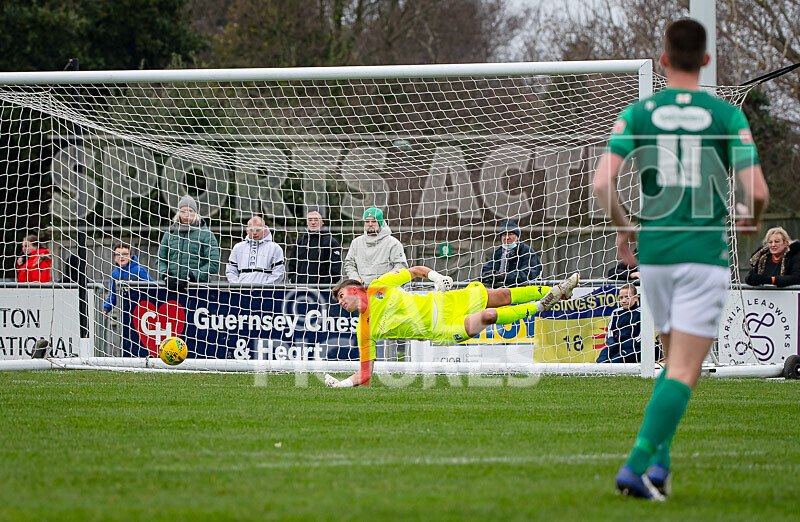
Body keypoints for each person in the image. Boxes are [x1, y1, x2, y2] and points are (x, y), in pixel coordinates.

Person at [593, 19, 769, 501]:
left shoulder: (638, 112)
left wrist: (625, 227)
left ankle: (660, 469)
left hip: (655, 254)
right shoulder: (725, 115)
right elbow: (757, 191)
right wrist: (748, 218)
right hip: (702, 255)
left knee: (671, 363)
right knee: (686, 371)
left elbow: (603, 184)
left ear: (664, 60)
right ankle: (634, 464)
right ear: (706, 60)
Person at [325, 267, 579, 388]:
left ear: (354, 288)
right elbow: (366, 374)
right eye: (337, 300)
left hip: (447, 302)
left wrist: (437, 277)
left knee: (501, 295)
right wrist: (342, 384)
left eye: (341, 295)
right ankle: (541, 306)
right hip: (444, 329)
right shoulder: (365, 328)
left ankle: (558, 293)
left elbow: (415, 272)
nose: (341, 301)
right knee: (489, 316)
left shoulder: (381, 285)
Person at [158, 195, 221, 291]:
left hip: (199, 289)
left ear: (195, 213)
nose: (186, 214)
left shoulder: (206, 234)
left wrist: (192, 276)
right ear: (178, 213)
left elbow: (213, 263)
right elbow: (160, 260)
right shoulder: (169, 234)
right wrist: (166, 276)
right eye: (183, 211)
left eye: (190, 211)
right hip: (172, 289)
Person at [343, 207, 408, 285]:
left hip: (385, 288)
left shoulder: (393, 243)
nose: (370, 224)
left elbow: (401, 266)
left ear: (380, 222)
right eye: (367, 221)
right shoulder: (356, 242)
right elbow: (349, 263)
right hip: (362, 289)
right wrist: (355, 278)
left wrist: (384, 280)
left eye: (374, 221)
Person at [288, 207, 342, 285]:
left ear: (322, 222)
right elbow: (292, 266)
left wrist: (322, 285)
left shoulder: (331, 243)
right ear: (307, 222)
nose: (313, 222)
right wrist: (295, 280)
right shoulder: (300, 242)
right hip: (300, 289)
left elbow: (335, 271)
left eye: (316, 220)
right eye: (310, 220)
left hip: (323, 291)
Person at [481, 221, 542, 288]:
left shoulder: (527, 251)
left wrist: (504, 277)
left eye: (510, 234)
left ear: (518, 237)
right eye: (504, 235)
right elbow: (486, 270)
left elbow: (529, 274)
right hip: (501, 293)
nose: (507, 237)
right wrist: (489, 276)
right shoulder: (498, 253)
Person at [226, 216, 285, 284]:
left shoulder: (275, 248)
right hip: (240, 292)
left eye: (258, 230)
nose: (254, 233)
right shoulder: (238, 247)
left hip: (266, 293)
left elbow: (278, 273)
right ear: (247, 230)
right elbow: (230, 271)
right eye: (251, 230)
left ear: (264, 230)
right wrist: (237, 285)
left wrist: (265, 287)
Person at [103, 242, 154, 314]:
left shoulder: (139, 270)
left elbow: (153, 289)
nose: (121, 256)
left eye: (124, 254)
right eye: (118, 254)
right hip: (123, 311)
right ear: (114, 258)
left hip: (141, 310)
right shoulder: (114, 274)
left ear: (130, 256)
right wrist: (106, 308)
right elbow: (113, 295)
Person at [596, 284, 641, 363]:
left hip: (633, 348)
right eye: (621, 298)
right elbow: (610, 332)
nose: (624, 301)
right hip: (616, 346)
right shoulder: (616, 313)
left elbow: (642, 337)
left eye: (627, 297)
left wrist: (622, 345)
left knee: (616, 361)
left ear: (636, 298)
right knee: (602, 357)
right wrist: (612, 344)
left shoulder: (641, 313)